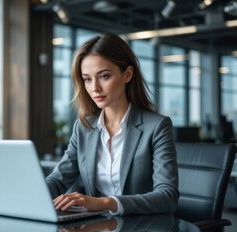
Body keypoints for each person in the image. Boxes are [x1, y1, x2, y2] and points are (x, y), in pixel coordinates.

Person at [46, 33, 179, 216]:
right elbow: (57, 180)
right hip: (93, 230)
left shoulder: (156, 127)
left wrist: (106, 203)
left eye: (104, 76)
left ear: (127, 74)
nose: (95, 88)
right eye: (87, 79)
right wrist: (30, 195)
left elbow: (167, 197)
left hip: (139, 231)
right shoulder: (84, 128)